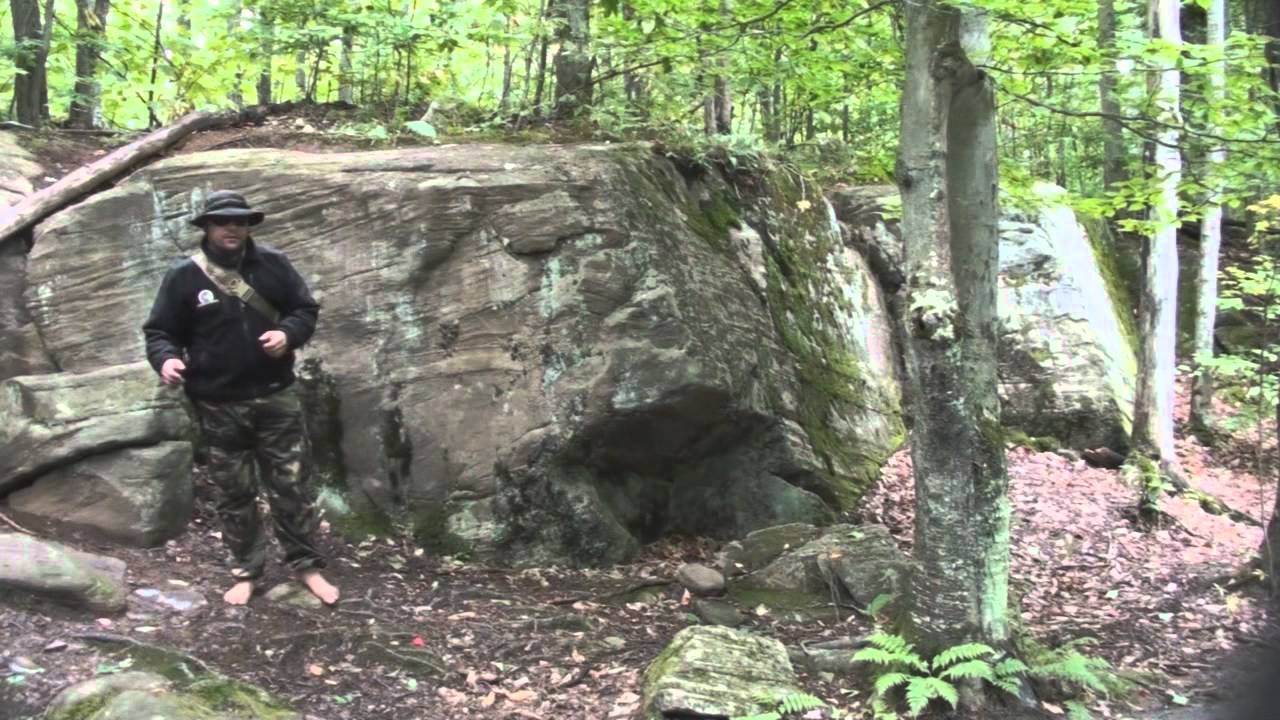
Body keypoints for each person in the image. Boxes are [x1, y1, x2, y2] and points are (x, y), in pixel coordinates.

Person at [142, 190, 339, 607]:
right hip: (217, 405)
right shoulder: (184, 276)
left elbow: (304, 310)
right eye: (223, 221)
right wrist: (166, 360)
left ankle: (307, 566)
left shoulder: (273, 264)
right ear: (207, 227)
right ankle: (246, 572)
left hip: (276, 397)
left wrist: (288, 334)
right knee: (234, 494)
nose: (232, 227)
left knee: (292, 486)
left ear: (249, 226)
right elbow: (160, 331)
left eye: (240, 221)